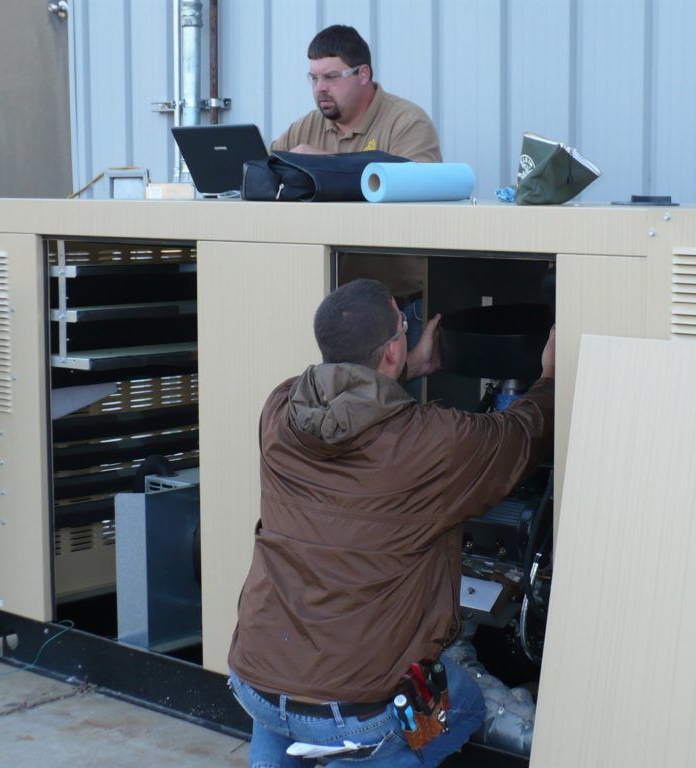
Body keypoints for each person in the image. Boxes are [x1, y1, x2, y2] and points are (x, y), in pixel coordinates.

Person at [227, 279, 555, 767]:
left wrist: (404, 370)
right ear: (393, 348)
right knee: (465, 705)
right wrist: (550, 378)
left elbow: (348, 413)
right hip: (355, 709)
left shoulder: (278, 409)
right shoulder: (435, 443)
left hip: (255, 678)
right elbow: (519, 437)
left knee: (287, 700)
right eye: (405, 325)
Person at [271, 24, 441, 162]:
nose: (320, 88)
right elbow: (260, 173)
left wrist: (326, 162)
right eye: (314, 78)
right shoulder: (305, 128)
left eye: (331, 76)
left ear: (363, 74)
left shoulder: (407, 124)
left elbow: (416, 190)